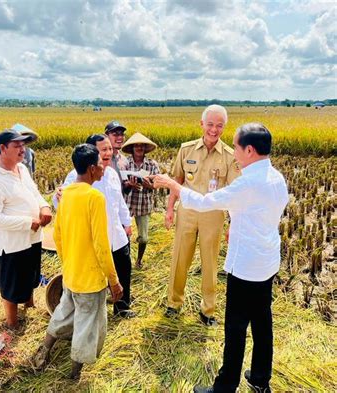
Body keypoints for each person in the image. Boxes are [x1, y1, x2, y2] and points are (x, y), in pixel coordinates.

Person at [152, 123, 289, 393]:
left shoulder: (248, 182)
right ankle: (261, 379)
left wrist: (172, 186)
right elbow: (261, 212)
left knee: (235, 328)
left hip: (246, 265)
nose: (234, 153)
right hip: (267, 260)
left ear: (249, 150)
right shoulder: (276, 177)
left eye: (237, 147)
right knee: (263, 322)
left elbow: (205, 203)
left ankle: (225, 386)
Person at [32, 144, 123, 380]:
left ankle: (45, 349)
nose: (104, 167)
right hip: (91, 278)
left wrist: (68, 263)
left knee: (63, 312)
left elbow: (58, 235)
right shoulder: (95, 197)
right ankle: (74, 373)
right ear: (92, 169)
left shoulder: (67, 193)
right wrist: (114, 281)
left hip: (71, 273)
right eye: (101, 164)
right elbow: (102, 246)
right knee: (87, 325)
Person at [164, 105, 240, 326]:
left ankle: (208, 310)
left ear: (224, 128)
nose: (214, 130)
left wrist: (233, 224)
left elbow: (235, 191)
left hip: (213, 215)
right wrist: (169, 210)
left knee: (210, 263)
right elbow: (176, 181)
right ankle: (173, 304)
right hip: (186, 212)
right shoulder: (186, 150)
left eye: (219, 125)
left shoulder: (229, 156)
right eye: (210, 124)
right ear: (201, 124)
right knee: (180, 259)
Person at [54, 134, 134, 318]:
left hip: (117, 235)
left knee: (124, 269)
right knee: (97, 277)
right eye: (103, 150)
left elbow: (119, 201)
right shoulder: (75, 177)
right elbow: (61, 202)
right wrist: (57, 195)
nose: (108, 153)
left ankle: (122, 308)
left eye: (109, 149)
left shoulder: (112, 173)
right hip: (94, 239)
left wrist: (127, 223)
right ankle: (96, 311)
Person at [0, 129, 52, 329]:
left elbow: (35, 193)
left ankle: (30, 306)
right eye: (17, 146)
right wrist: (26, 222)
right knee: (12, 285)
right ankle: (12, 324)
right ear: (2, 148)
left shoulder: (22, 169)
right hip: (12, 243)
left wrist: (44, 206)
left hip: (33, 237)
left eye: (23, 145)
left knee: (30, 275)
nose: (23, 150)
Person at [121, 132, 160, 268]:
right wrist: (130, 184)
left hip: (143, 205)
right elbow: (121, 183)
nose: (139, 148)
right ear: (132, 148)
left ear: (145, 148)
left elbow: (156, 184)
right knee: (124, 235)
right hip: (127, 203)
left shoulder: (152, 165)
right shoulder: (125, 163)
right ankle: (126, 260)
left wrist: (147, 184)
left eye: (141, 146)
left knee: (143, 237)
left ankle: (139, 260)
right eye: (136, 146)